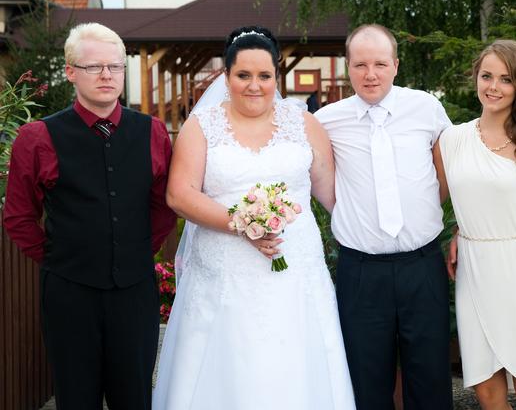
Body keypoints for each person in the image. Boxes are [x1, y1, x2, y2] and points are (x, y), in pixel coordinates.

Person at [152, 26, 355, 409]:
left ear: (276, 76)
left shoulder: (305, 124)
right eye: (243, 75)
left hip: (296, 270)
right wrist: (242, 224)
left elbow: (332, 196)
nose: (254, 85)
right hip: (224, 270)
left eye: (264, 75)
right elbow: (180, 194)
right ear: (226, 75)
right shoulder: (201, 126)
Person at [2, 22, 176, 409]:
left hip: (134, 291)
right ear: (70, 72)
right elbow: (18, 217)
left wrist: (134, 250)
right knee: (75, 397)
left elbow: (164, 205)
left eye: (114, 66)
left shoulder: (152, 132)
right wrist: (59, 257)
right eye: (93, 67)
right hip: (69, 292)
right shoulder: (37, 137)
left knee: (135, 397)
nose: (106, 75)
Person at [315, 24, 453, 410]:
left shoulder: (426, 108)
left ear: (396, 65)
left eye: (379, 64)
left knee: (430, 377)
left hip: (422, 265)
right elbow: (320, 179)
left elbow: (444, 172)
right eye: (360, 65)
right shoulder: (327, 120)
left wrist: (423, 212)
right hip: (361, 272)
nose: (370, 74)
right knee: (366, 381)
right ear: (348, 67)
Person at [436, 40, 516, 410]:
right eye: (487, 76)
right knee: (486, 386)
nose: (494, 87)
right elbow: (432, 203)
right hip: (473, 265)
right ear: (476, 77)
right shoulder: (451, 139)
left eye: (505, 79)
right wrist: (458, 230)